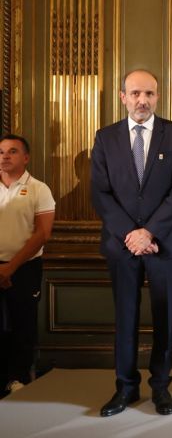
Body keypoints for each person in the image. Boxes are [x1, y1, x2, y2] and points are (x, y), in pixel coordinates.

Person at [91, 69, 172, 416]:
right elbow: (101, 194)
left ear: (158, 96)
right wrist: (130, 235)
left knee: (165, 316)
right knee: (126, 317)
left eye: (148, 93)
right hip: (122, 245)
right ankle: (126, 388)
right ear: (123, 97)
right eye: (134, 94)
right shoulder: (105, 138)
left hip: (165, 242)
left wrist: (149, 233)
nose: (142, 101)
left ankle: (161, 388)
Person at [0, 134, 55, 397]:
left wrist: (9, 268)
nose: (5, 156)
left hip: (24, 268)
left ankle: (18, 378)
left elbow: (42, 234)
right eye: (1, 152)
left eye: (12, 151)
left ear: (26, 157)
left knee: (22, 326)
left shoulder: (38, 189)